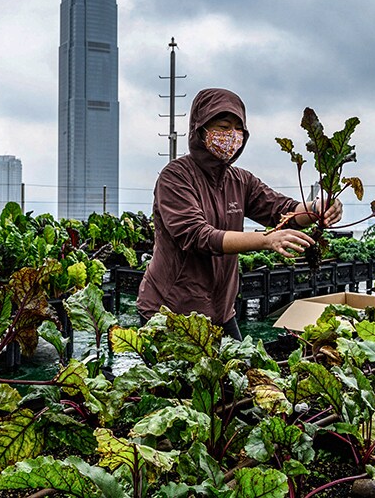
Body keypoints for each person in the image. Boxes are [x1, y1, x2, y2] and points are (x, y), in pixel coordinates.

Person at [136, 88, 342, 340]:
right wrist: (265, 240)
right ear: (199, 130)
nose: (231, 136)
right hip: (172, 311)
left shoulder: (240, 180)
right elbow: (197, 236)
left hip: (220, 311)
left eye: (238, 129)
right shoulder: (175, 177)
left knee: (239, 375)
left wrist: (316, 209)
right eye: (223, 127)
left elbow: (280, 209)